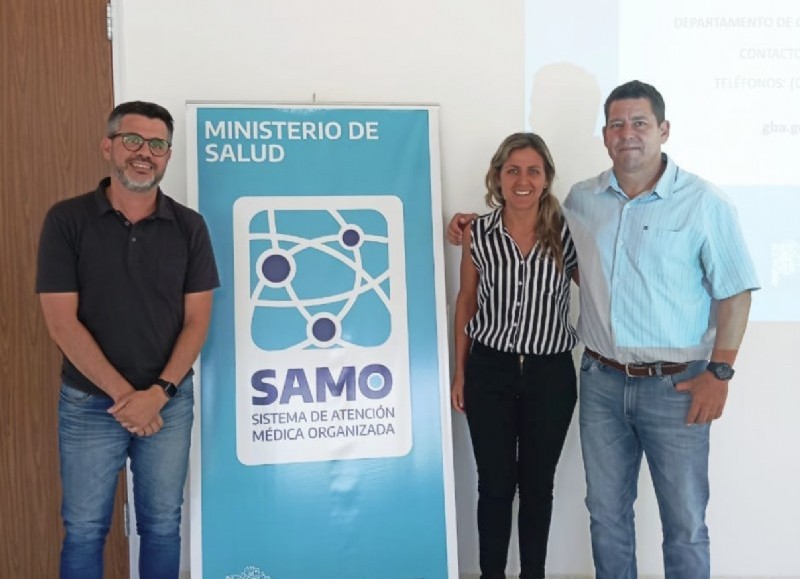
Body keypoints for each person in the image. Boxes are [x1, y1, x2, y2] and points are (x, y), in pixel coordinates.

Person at [448, 81, 759, 579]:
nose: (627, 134)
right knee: (605, 515)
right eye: (617, 124)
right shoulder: (583, 201)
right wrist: (465, 225)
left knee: (684, 520)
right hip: (601, 381)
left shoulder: (701, 203)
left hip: (673, 386)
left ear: (663, 129)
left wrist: (720, 371)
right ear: (605, 135)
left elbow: (735, 290)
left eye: (639, 123)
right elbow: (525, 267)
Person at [36, 101, 220, 579]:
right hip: (90, 403)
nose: (145, 153)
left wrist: (157, 395)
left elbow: (198, 320)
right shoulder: (66, 221)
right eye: (133, 140)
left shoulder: (189, 226)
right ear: (108, 146)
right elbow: (60, 322)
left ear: (167, 155)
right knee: (84, 527)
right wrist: (126, 398)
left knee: (161, 525)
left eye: (158, 145)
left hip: (169, 403)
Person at [451, 133, 579, 579]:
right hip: (490, 370)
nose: (522, 180)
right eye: (513, 170)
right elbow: (466, 302)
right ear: (498, 176)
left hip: (551, 375)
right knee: (495, 486)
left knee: (538, 486)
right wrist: (459, 373)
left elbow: (600, 290)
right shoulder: (478, 232)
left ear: (546, 180)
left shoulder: (568, 231)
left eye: (533, 171)